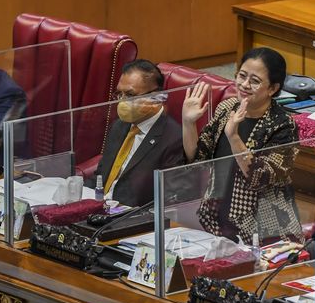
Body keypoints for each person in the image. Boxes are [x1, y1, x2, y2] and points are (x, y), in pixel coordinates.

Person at [182, 47, 303, 244]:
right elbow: (197, 160)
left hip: (264, 228)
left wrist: (233, 137)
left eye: (254, 81)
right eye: (242, 76)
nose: (244, 85)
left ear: (272, 89)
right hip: (215, 215)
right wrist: (188, 123)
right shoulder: (226, 108)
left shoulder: (283, 125)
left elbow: (260, 178)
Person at [89, 59, 184, 207]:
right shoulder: (119, 126)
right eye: (119, 94)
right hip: (98, 207)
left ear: (156, 98)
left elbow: (168, 200)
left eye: (130, 95)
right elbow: (101, 175)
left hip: (130, 216)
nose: (122, 102)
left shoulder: (173, 139)